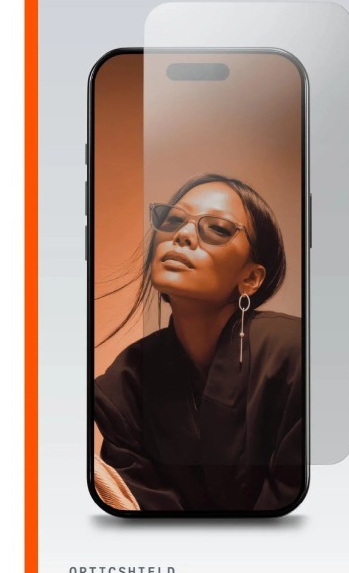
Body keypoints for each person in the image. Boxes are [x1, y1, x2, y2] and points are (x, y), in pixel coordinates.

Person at [93, 172, 305, 514]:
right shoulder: (126, 382)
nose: (182, 235)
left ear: (251, 277)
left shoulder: (299, 356)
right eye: (172, 220)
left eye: (217, 229)